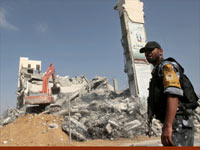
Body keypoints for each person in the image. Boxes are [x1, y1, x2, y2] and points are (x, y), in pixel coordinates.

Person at [139, 41, 198, 146]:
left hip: (177, 121)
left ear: (160, 52)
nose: (148, 53)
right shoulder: (158, 71)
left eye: (151, 50)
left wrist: (168, 126)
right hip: (175, 122)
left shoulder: (166, 66)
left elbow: (173, 94)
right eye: (146, 52)